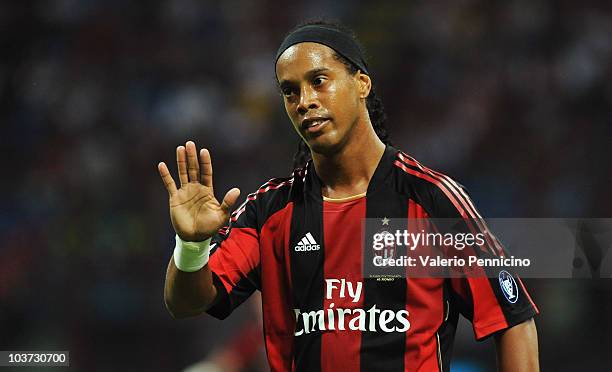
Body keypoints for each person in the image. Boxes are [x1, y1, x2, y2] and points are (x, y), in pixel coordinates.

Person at [158, 21, 540, 372]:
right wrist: (191, 245)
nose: (304, 101)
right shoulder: (269, 211)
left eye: (319, 80)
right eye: (290, 91)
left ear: (362, 83)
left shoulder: (431, 200)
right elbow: (186, 302)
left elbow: (513, 321)